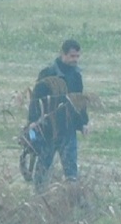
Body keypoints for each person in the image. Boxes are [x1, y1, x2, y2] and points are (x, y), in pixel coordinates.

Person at [27, 39, 89, 192]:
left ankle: (72, 199)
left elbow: (79, 101)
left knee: (71, 171)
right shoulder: (47, 74)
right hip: (49, 129)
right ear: (63, 54)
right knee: (43, 168)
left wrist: (83, 123)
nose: (75, 60)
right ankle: (39, 199)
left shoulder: (76, 76)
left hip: (68, 129)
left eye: (77, 57)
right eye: (72, 56)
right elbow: (35, 98)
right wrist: (33, 120)